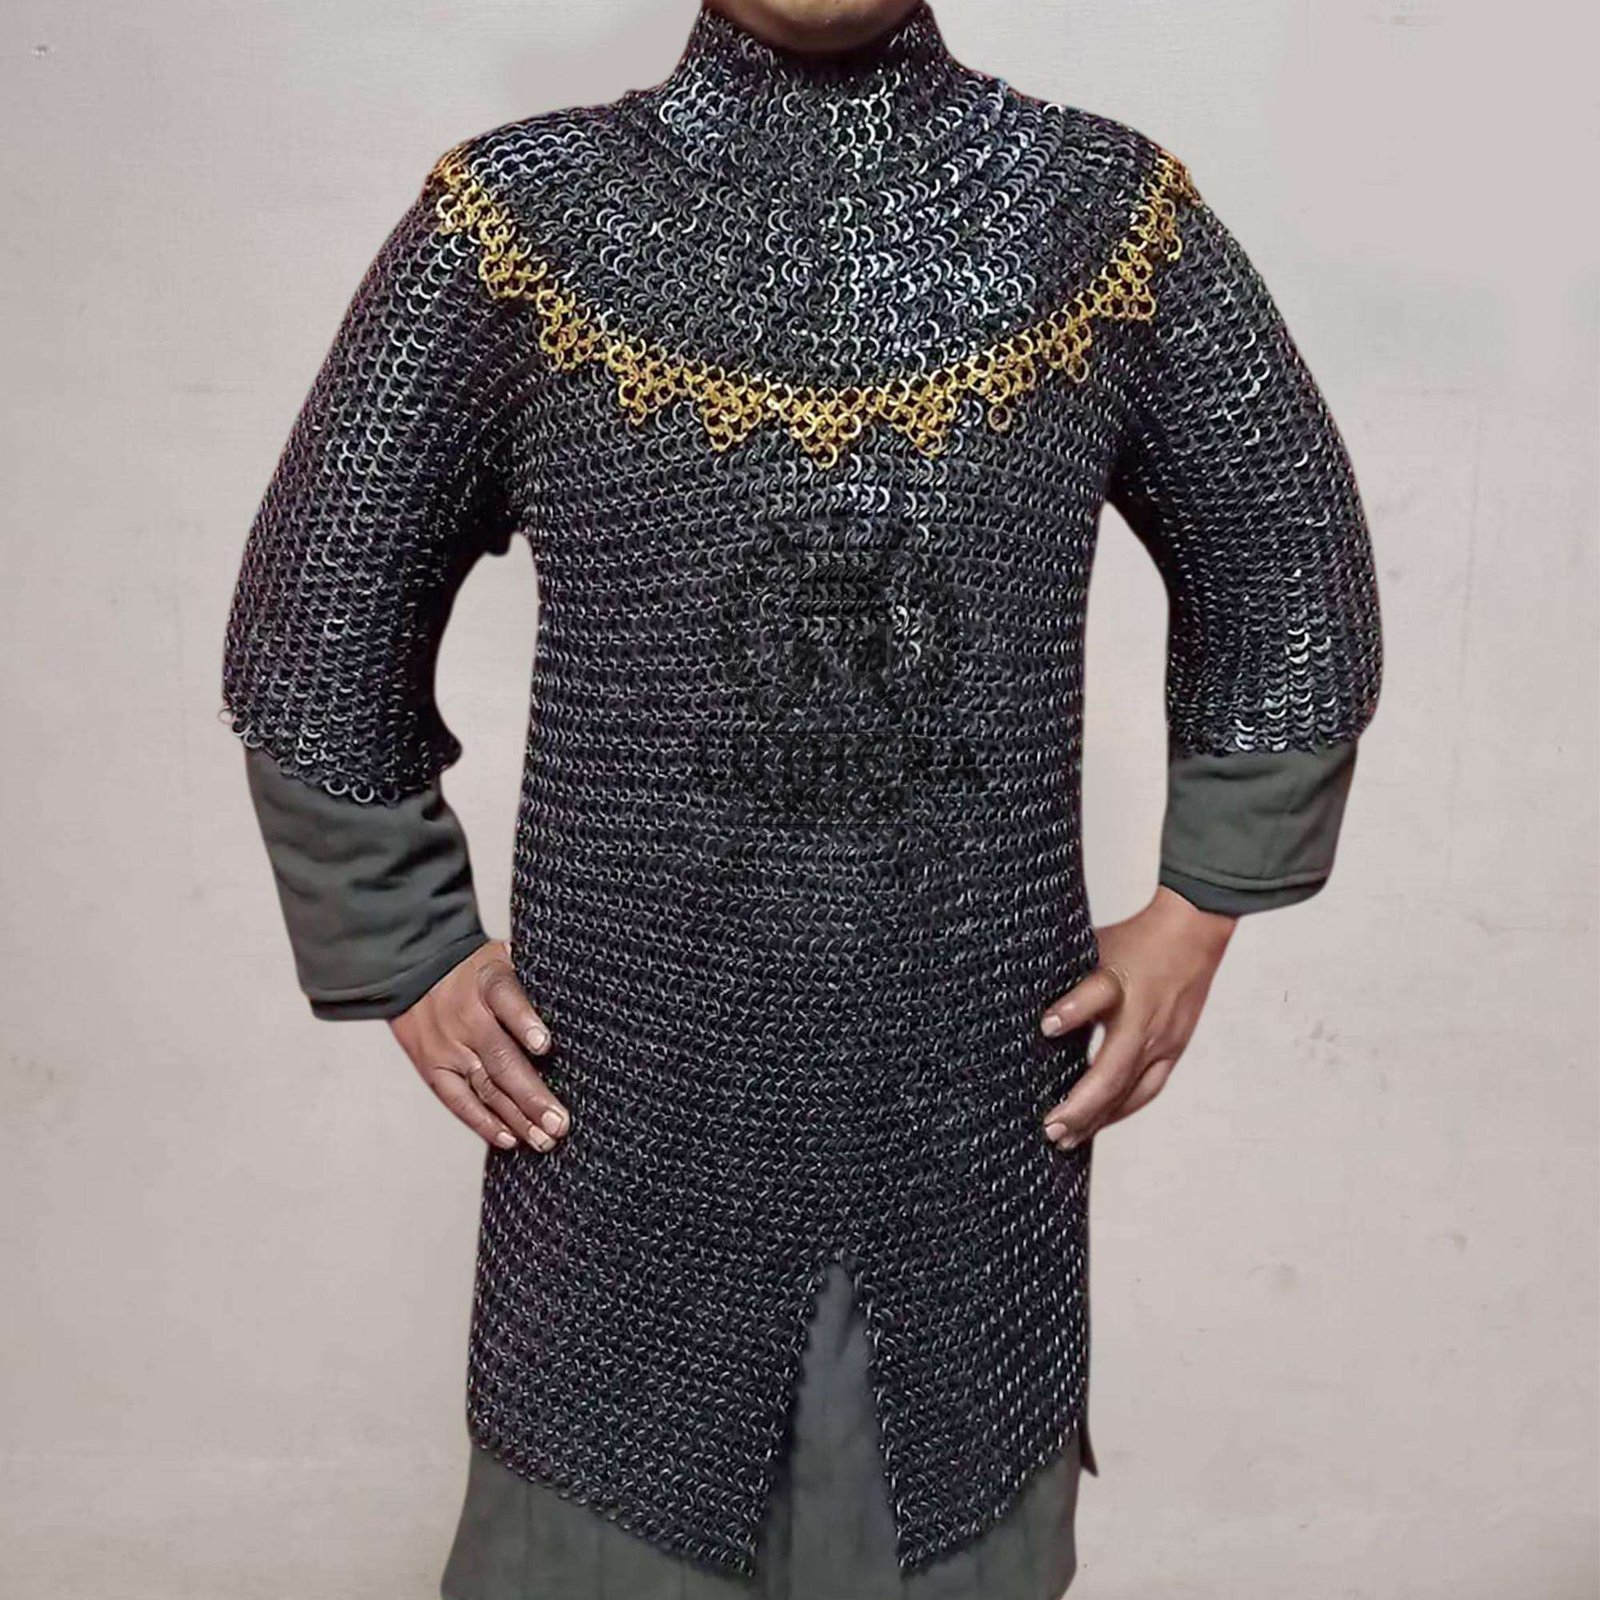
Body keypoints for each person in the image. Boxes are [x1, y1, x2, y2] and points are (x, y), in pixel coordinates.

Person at [218, 1, 1384, 1595]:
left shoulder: (1099, 220)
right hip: (633, 1148)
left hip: (964, 1138)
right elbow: (319, 620)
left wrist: (1202, 909)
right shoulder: (520, 225)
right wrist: (399, 938)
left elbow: (1287, 568)